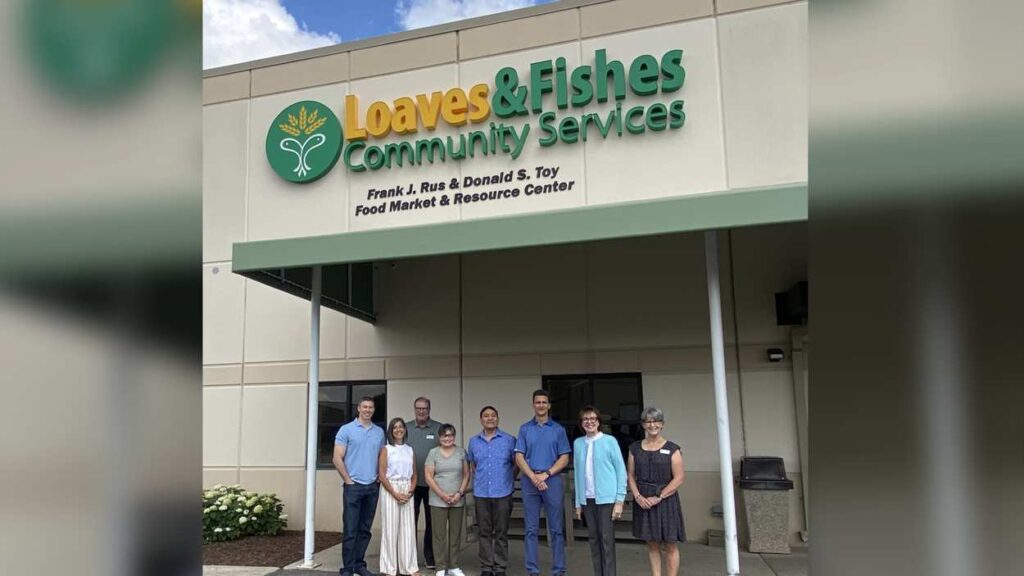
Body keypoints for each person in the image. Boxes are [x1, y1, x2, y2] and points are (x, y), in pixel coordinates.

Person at [515, 389, 571, 576]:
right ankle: (532, 570)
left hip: (552, 481)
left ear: (549, 405)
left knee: (556, 529)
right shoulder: (525, 429)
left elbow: (564, 457)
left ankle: (558, 570)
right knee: (531, 529)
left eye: (544, 402)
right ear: (533, 405)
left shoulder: (558, 430)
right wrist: (533, 477)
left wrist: (545, 475)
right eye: (537, 402)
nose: (540, 405)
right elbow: (519, 456)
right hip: (530, 482)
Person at [627, 406, 687, 576]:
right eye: (648, 421)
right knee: (651, 544)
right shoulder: (634, 449)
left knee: (670, 543)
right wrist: (637, 496)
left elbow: (679, 478)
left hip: (666, 500)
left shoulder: (673, 449)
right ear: (643, 425)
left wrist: (659, 496)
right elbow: (630, 475)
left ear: (662, 424)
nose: (652, 425)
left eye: (656, 421)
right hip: (643, 500)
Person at [334, 397, 386, 576]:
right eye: (364, 407)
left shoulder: (379, 432)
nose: (368, 410)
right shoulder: (346, 430)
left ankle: (359, 564)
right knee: (350, 529)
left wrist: (380, 476)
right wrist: (348, 480)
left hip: (372, 487)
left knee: (364, 530)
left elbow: (382, 457)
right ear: (358, 408)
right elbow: (336, 458)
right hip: (353, 487)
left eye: (371, 407)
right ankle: (347, 568)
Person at [572, 406, 626, 576]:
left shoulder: (610, 441)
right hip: (587, 499)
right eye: (585, 419)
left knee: (606, 540)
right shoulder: (578, 443)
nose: (589, 422)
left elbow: (620, 470)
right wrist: (578, 504)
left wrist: (619, 501)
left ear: (599, 422)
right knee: (594, 540)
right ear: (581, 423)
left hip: (607, 499)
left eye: (592, 419)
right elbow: (577, 474)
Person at [467, 406, 517, 576]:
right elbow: (472, 464)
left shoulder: (509, 440)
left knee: (501, 531)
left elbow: (516, 464)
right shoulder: (473, 442)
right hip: (481, 493)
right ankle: (487, 566)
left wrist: (508, 480)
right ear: (481, 419)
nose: (490, 418)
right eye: (486, 416)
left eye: (493, 416)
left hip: (503, 492)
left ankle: (500, 566)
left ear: (498, 418)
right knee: (484, 531)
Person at [424, 423, 470, 576]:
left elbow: (466, 475)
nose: (447, 438)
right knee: (439, 535)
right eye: (444, 435)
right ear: (439, 437)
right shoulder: (433, 453)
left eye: (450, 435)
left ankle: (453, 566)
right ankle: (440, 567)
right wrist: (442, 494)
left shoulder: (461, 452)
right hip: (437, 500)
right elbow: (428, 477)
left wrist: (459, 493)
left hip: (457, 499)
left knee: (455, 534)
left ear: (454, 436)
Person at [378, 418, 421, 576]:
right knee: (390, 530)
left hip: (407, 489)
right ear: (391, 430)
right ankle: (389, 569)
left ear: (405, 429)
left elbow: (415, 474)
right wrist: (395, 494)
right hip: (391, 488)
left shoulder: (410, 449)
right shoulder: (386, 449)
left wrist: (410, 492)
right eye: (395, 427)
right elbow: (382, 475)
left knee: (407, 530)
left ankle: (409, 567)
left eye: (401, 427)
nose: (398, 430)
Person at [406, 396, 441, 569]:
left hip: (432, 485)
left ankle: (430, 556)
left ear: (429, 410)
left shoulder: (438, 428)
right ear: (414, 409)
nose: (421, 411)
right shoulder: (405, 428)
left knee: (431, 523)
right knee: (409, 522)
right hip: (410, 485)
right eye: (418, 408)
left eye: (425, 408)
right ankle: (408, 556)